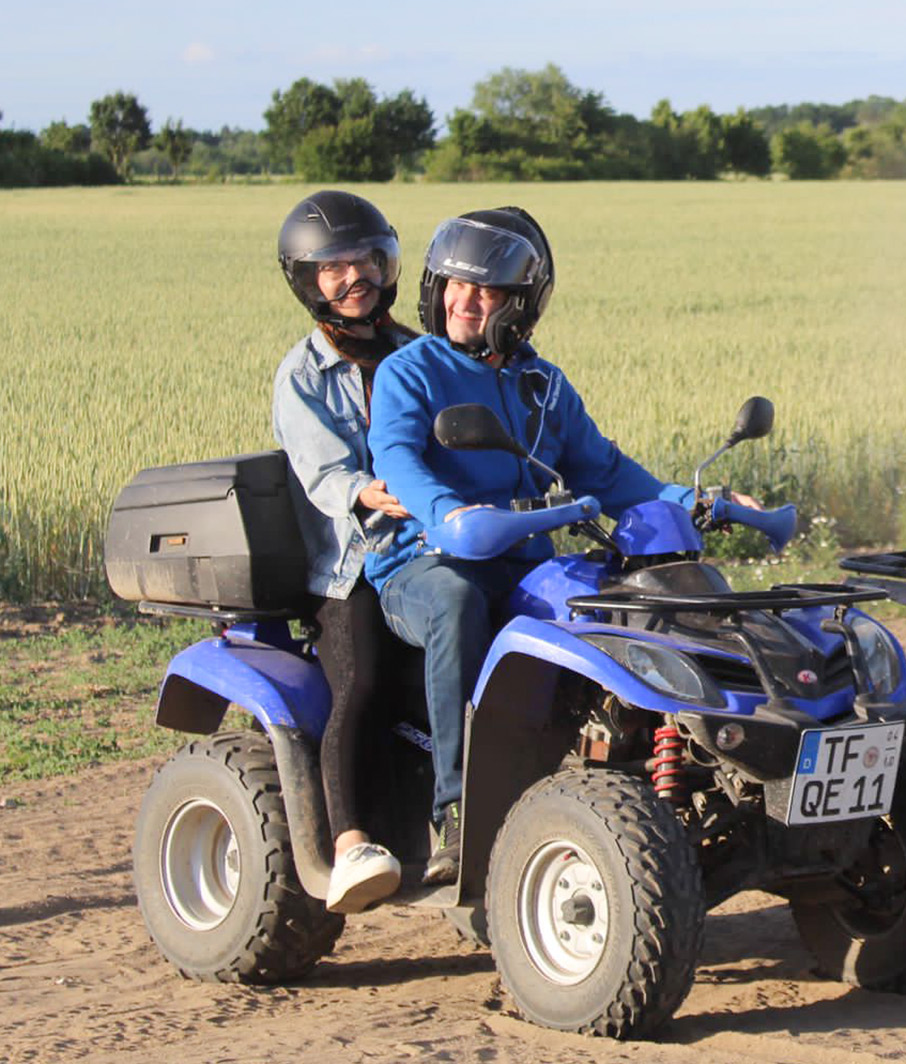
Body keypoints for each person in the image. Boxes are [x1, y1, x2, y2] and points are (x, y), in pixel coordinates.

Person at [365, 206, 759, 884]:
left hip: (521, 561)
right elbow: (397, 456)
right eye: (455, 284)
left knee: (616, 602)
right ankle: (456, 814)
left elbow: (607, 475)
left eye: (486, 290)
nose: (465, 300)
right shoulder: (412, 371)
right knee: (458, 602)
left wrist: (696, 503)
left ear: (520, 305)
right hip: (425, 563)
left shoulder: (542, 386)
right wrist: (448, 513)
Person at [270, 190, 416, 913]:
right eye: (332, 268)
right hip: (349, 563)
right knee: (359, 681)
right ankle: (353, 842)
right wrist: (372, 490)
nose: (352, 277)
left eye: (363, 260)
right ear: (307, 281)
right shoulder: (301, 376)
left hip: (425, 542)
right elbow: (325, 473)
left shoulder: (418, 353)